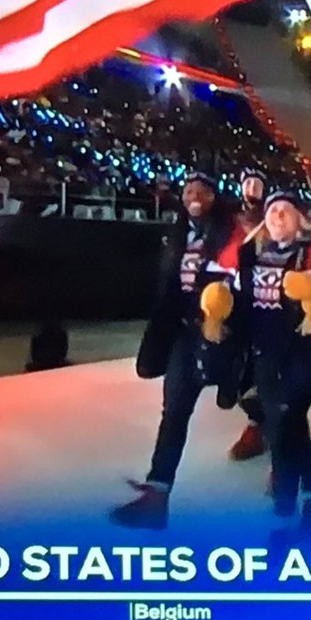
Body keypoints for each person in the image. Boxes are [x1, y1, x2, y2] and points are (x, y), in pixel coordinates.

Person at [111, 172, 242, 529]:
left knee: (251, 397)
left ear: (214, 196)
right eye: (188, 190)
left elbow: (239, 277)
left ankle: (280, 457)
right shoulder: (176, 232)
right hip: (185, 334)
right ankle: (157, 494)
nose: (194, 195)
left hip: (223, 334)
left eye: (202, 189)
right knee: (175, 411)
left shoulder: (232, 232)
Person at [230, 188, 311, 535]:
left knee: (284, 424)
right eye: (273, 210)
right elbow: (237, 301)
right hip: (264, 356)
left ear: (300, 220)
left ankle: (285, 505)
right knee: (289, 426)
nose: (278, 215)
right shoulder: (252, 255)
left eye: (286, 210)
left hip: (301, 356)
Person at [229, 166, 270, 461]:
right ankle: (255, 416)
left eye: (258, 184)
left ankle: (261, 426)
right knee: (238, 366)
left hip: (267, 301)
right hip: (236, 300)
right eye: (248, 183)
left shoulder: (276, 218)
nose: (252, 189)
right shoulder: (231, 220)